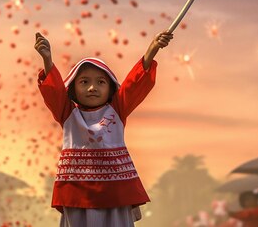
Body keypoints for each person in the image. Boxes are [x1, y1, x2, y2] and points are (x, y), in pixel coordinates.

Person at [34, 30, 173, 226]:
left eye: (100, 82)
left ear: (110, 88)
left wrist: (152, 50)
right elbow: (54, 91)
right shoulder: (67, 113)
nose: (92, 88)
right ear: (73, 88)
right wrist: (47, 60)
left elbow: (134, 85)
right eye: (84, 82)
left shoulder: (117, 108)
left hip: (115, 191)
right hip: (77, 191)